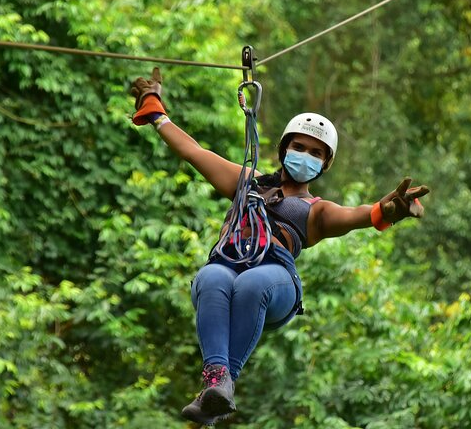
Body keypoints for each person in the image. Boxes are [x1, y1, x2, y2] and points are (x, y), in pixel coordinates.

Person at [129, 68, 430, 425]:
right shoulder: (247, 182)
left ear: (325, 164)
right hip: (230, 264)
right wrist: (156, 112)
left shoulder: (316, 211)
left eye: (315, 152)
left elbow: (359, 214)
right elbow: (194, 151)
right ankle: (215, 384)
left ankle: (226, 382)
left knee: (251, 283)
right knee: (211, 277)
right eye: (298, 147)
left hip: (275, 285)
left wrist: (388, 210)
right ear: (284, 149)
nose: (304, 155)